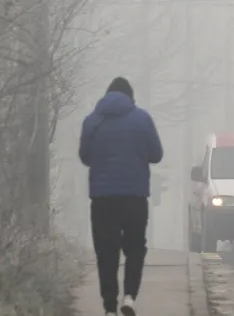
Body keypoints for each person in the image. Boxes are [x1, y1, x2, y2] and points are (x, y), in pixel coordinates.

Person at [79, 77, 164, 316]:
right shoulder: (142, 119)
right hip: (134, 197)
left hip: (102, 199)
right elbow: (156, 154)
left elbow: (85, 156)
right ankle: (129, 297)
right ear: (130, 97)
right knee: (135, 247)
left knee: (106, 252)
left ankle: (109, 308)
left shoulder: (92, 121)